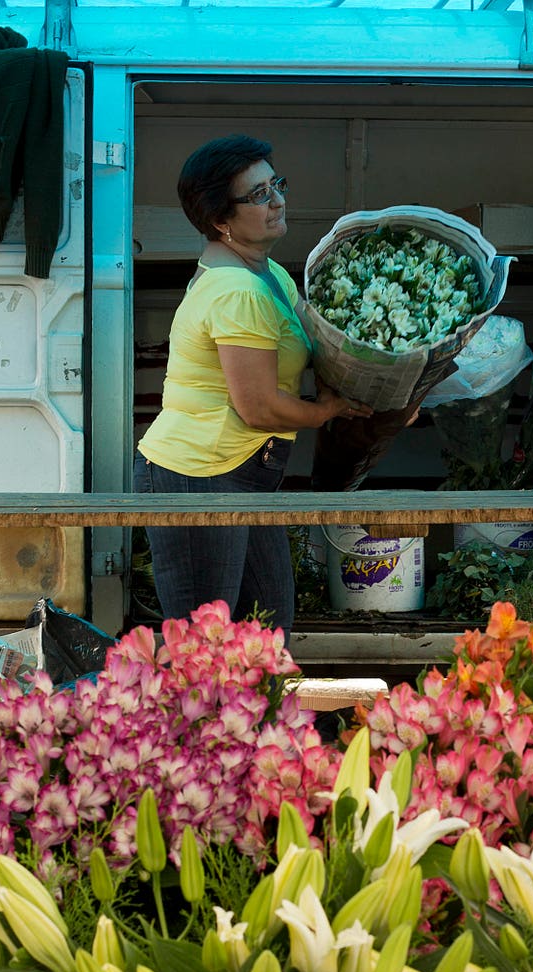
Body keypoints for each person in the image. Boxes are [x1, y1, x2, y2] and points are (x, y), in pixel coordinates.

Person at [135, 135, 371, 629]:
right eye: (259, 195)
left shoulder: (270, 277)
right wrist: (327, 411)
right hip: (199, 477)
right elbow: (259, 407)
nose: (278, 199)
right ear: (220, 221)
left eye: (276, 184)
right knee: (207, 646)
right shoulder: (237, 291)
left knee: (266, 630)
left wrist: (385, 388)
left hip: (243, 473)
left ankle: (258, 709)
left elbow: (323, 345)